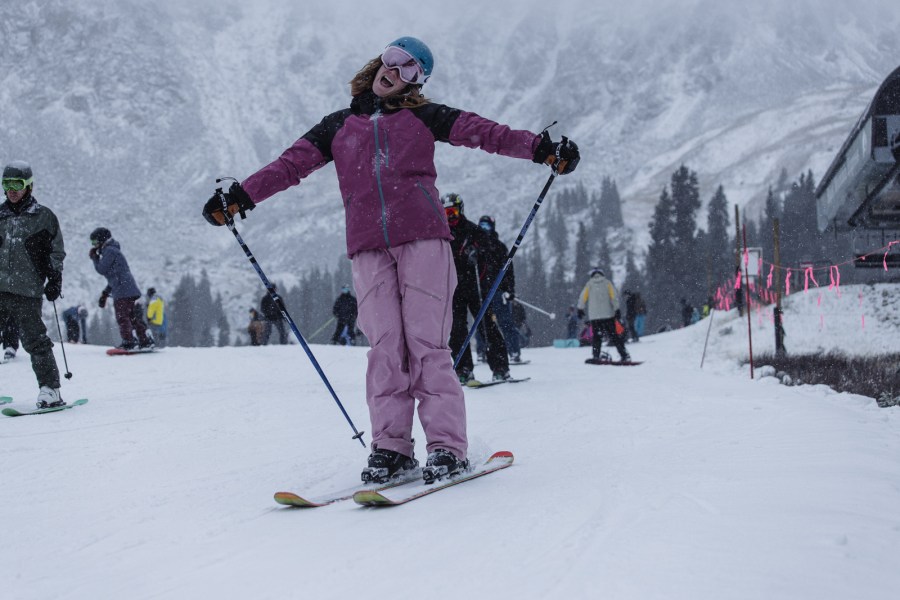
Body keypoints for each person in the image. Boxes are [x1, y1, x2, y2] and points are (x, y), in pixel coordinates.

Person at [201, 36, 579, 483]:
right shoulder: (337, 126)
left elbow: (485, 133)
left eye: (411, 71)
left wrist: (540, 148)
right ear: (380, 60)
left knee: (427, 346)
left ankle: (446, 448)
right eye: (394, 60)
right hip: (367, 247)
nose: (397, 72)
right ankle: (392, 448)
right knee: (385, 350)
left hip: (424, 240)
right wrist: (241, 196)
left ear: (417, 83)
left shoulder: (424, 117)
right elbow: (290, 165)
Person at [0, 161, 66, 407]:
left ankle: (50, 390)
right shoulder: (0, 216)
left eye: (16, 184)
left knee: (35, 341)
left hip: (26, 291)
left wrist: (54, 278)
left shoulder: (44, 217)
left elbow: (56, 252)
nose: (11, 190)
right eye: (6, 184)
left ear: (28, 186)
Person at [445, 195, 511, 383]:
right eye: (446, 213)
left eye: (453, 212)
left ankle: (500, 368)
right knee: (457, 330)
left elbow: (492, 250)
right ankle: (463, 369)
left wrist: (477, 253)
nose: (450, 218)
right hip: (453, 289)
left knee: (486, 327)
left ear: (461, 210)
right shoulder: (441, 234)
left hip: (476, 287)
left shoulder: (473, 231)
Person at [90, 227, 154, 350]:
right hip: (130, 290)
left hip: (122, 292)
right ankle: (145, 340)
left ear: (101, 240)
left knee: (123, 317)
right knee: (134, 318)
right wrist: (105, 293)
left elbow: (101, 269)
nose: (94, 245)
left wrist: (94, 258)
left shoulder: (109, 251)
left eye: (94, 242)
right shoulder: (114, 251)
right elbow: (115, 276)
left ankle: (129, 341)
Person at [477, 214, 524, 363]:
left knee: (506, 322)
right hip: (482, 291)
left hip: (499, 291)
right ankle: (482, 351)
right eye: (481, 226)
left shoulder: (499, 246)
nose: (484, 230)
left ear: (492, 227)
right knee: (483, 323)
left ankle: (514, 351)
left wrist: (510, 290)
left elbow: (509, 271)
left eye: (487, 226)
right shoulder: (476, 246)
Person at [576, 267, 630, 363]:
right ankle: (624, 355)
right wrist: (616, 309)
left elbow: (582, 297)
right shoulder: (607, 283)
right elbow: (614, 297)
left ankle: (596, 356)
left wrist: (580, 308)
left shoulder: (589, 285)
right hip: (608, 315)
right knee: (614, 336)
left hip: (595, 317)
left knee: (597, 337)